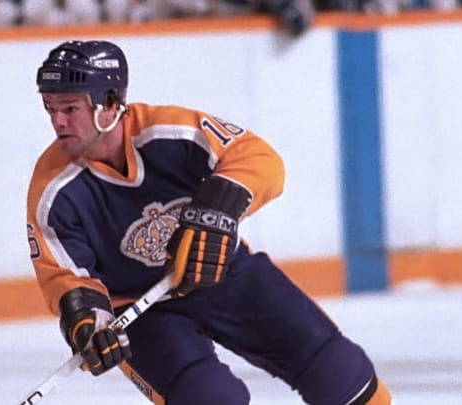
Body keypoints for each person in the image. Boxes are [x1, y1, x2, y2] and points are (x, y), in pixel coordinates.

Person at [25, 39, 392, 404]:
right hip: (142, 311)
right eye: (50, 108)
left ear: (108, 104)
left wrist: (217, 210)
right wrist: (89, 326)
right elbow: (65, 276)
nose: (58, 121)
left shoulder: (169, 132)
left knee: (336, 371)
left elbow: (259, 158)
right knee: (209, 398)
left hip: (222, 274)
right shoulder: (53, 190)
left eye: (69, 108)